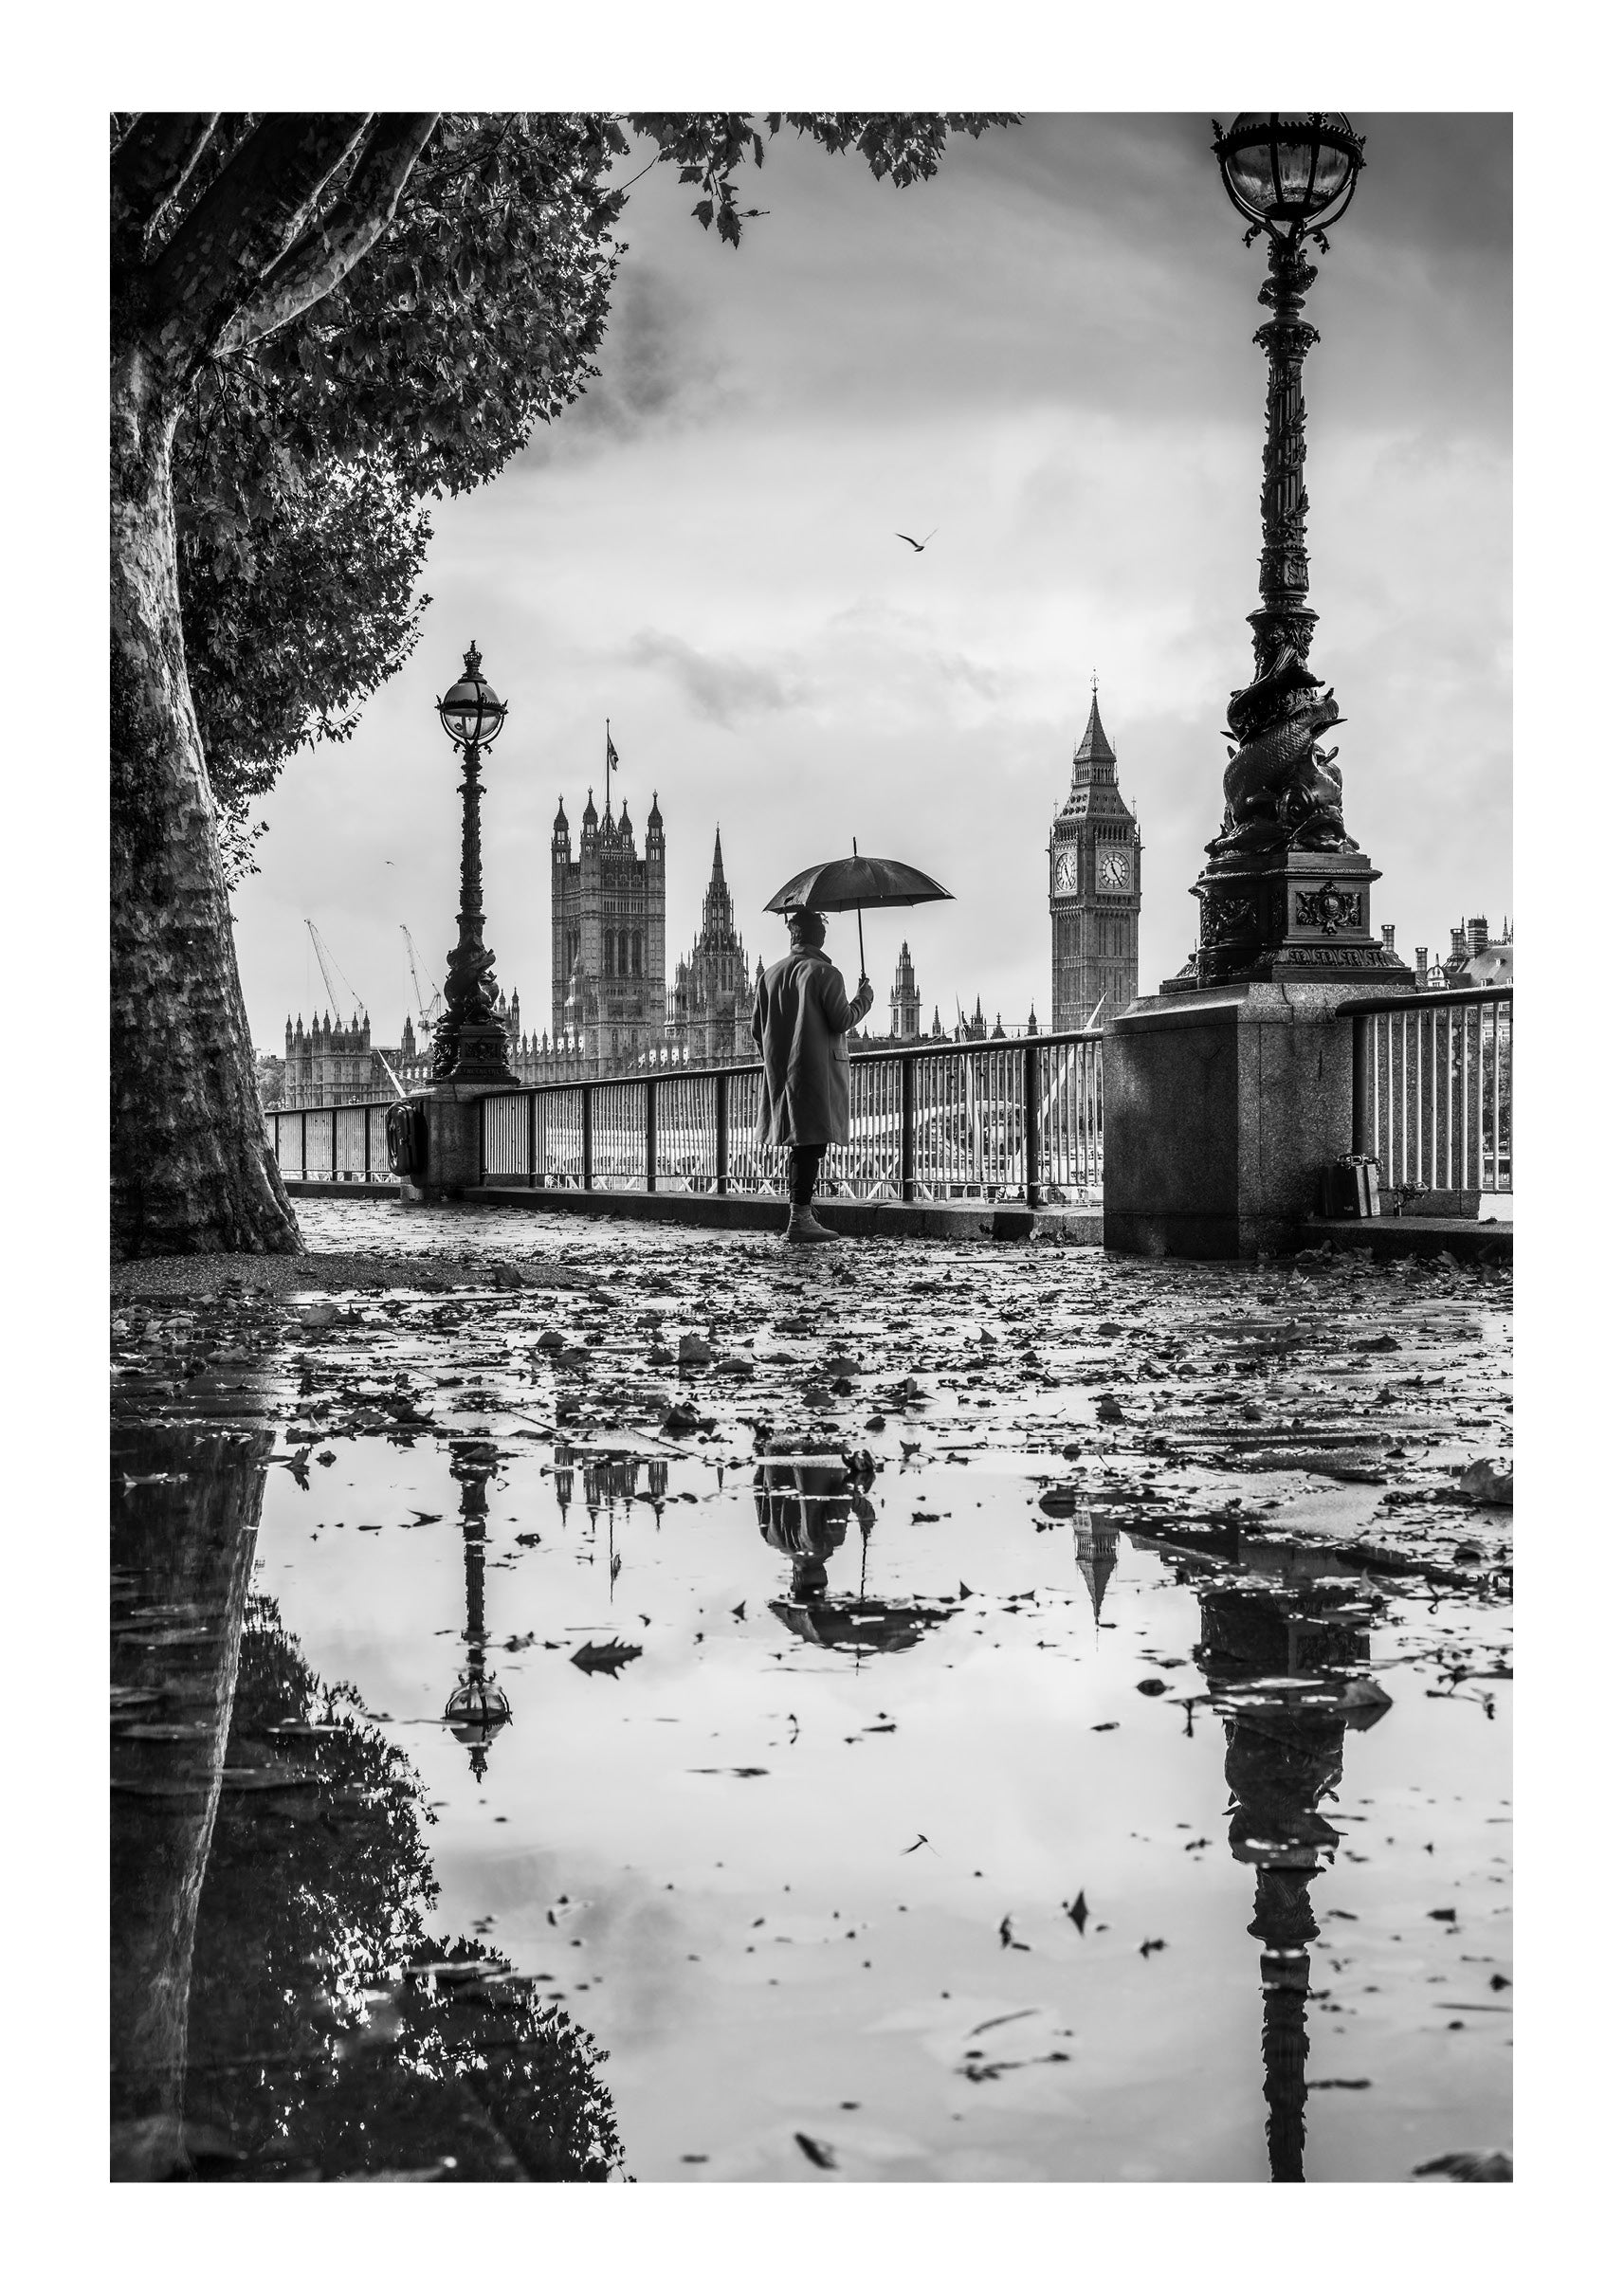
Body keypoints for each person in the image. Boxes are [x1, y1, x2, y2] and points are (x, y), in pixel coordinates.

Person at [752, 906, 873, 1244]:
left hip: (783, 1074)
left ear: (793, 934)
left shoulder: (769, 976)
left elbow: (755, 1031)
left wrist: (777, 1060)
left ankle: (800, 1214)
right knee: (811, 1145)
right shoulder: (825, 973)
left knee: (802, 1144)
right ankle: (800, 1219)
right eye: (822, 930)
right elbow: (842, 1019)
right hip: (817, 1072)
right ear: (817, 936)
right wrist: (865, 999)